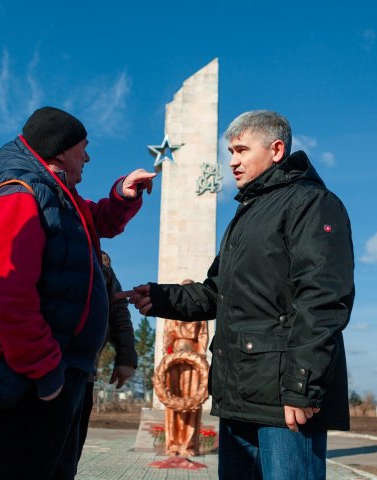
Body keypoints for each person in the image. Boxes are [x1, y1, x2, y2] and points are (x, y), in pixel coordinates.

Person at [119, 110, 355, 480]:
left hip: (285, 403)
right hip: (238, 398)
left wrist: (302, 386)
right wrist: (161, 298)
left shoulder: (311, 203)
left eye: (241, 150)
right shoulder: (247, 214)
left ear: (276, 149)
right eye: (230, 151)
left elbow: (324, 298)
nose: (232, 161)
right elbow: (217, 294)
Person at [0, 106, 155, 479]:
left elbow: (98, 220)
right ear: (59, 150)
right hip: (34, 376)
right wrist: (45, 370)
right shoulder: (20, 195)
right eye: (82, 148)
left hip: (59, 372)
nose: (87, 157)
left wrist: (122, 194)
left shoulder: (58, 196)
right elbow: (4, 294)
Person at [75, 250, 137, 461]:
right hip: (27, 366)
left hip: (82, 371)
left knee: (66, 455)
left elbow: (117, 309)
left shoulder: (100, 259)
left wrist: (126, 356)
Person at [161, 280, 209, 457]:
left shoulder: (200, 311)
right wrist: (168, 356)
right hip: (174, 362)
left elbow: (203, 335)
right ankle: (172, 444)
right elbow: (168, 335)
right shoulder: (173, 311)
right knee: (173, 400)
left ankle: (189, 445)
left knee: (192, 403)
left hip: (194, 364)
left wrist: (200, 358)